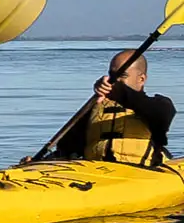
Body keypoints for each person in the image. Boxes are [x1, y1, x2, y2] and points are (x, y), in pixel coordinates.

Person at [40, 49, 174, 168]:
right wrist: (40, 163)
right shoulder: (94, 108)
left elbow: (156, 111)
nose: (114, 80)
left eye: (122, 76)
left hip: (140, 174)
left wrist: (117, 91)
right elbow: (67, 148)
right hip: (96, 176)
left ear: (142, 79)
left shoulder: (160, 106)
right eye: (112, 75)